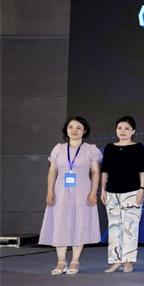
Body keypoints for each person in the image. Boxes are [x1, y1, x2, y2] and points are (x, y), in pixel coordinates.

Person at [39, 116, 102, 275]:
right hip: (60, 191)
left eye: (78, 128)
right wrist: (50, 191)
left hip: (83, 192)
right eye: (71, 127)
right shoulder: (58, 149)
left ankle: (75, 260)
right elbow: (52, 171)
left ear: (84, 130)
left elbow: (95, 172)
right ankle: (61, 261)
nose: (74, 131)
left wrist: (93, 191)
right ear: (66, 130)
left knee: (80, 222)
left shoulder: (90, 149)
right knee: (60, 223)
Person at [100, 116, 144, 273]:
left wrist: (142, 188)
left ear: (133, 131)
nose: (123, 131)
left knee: (130, 228)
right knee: (114, 227)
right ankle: (115, 261)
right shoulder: (109, 148)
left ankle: (128, 261)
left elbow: (143, 171)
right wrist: (102, 190)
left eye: (127, 128)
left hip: (132, 192)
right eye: (120, 128)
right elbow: (104, 171)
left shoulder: (139, 148)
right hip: (111, 193)